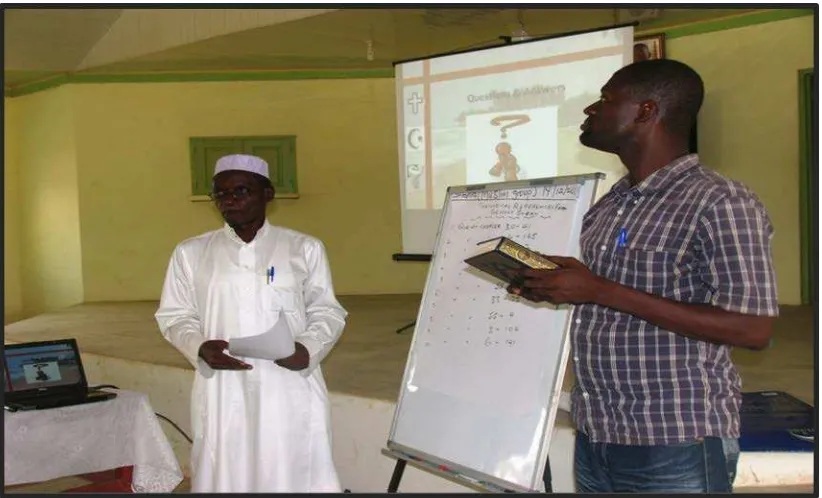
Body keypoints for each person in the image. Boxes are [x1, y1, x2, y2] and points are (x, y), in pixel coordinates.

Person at [509, 59, 778, 492]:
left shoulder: (720, 201)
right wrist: (560, 285)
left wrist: (599, 289)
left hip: (675, 441)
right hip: (599, 434)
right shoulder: (612, 202)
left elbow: (753, 327)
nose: (590, 111)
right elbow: (609, 296)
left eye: (605, 100)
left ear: (646, 112)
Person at [155, 154, 348, 492]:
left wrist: (307, 349)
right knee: (226, 472)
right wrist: (199, 347)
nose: (230, 200)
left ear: (267, 194)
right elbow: (174, 315)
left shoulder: (303, 248)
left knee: (292, 470)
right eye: (221, 194)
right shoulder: (190, 252)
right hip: (223, 386)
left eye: (242, 190)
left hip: (287, 383)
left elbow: (327, 311)